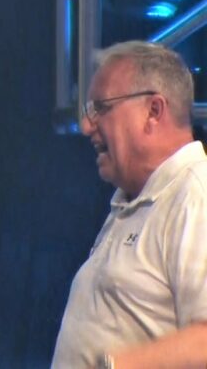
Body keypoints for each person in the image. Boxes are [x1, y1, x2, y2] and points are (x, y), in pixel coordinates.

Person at [52, 41, 207, 369]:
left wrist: (116, 366)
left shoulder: (196, 194)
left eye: (101, 107)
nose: (86, 126)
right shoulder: (135, 201)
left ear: (154, 111)